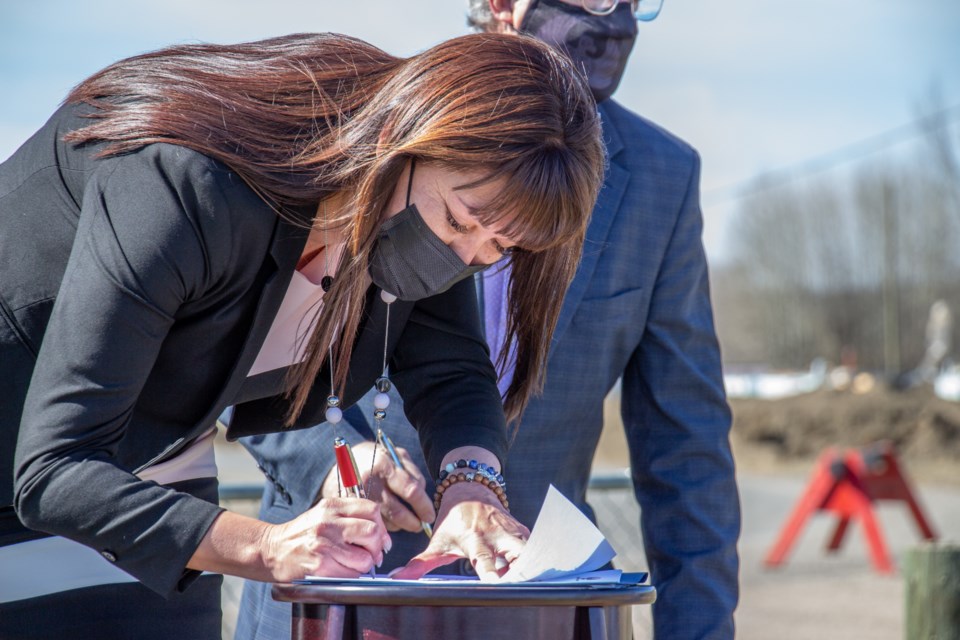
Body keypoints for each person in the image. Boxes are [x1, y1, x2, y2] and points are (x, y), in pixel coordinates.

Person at [0, 31, 605, 639]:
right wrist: (269, 547)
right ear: (404, 138)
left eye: (497, 247)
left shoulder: (420, 207)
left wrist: (471, 489)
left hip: (154, 456)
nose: (464, 257)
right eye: (458, 221)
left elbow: (453, 373)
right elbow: (55, 468)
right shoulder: (187, 182)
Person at [238, 2, 740, 639]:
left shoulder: (663, 179)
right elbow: (232, 348)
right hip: (336, 596)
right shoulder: (377, 122)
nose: (616, 18)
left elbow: (686, 448)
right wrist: (335, 461)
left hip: (537, 608)